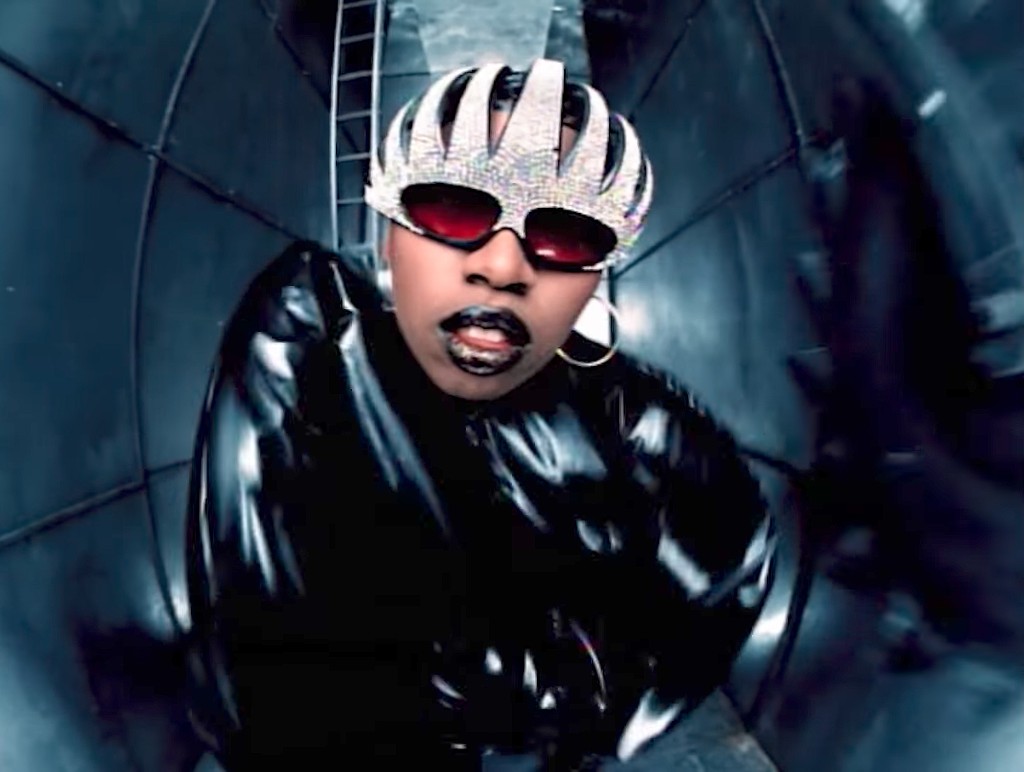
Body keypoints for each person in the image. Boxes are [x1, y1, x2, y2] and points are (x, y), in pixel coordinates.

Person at [184, 58, 774, 770]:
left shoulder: (634, 424)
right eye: (454, 208)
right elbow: (260, 665)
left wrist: (590, 711)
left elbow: (730, 572)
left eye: (566, 233)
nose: (502, 266)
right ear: (389, 233)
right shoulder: (312, 346)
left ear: (596, 274)